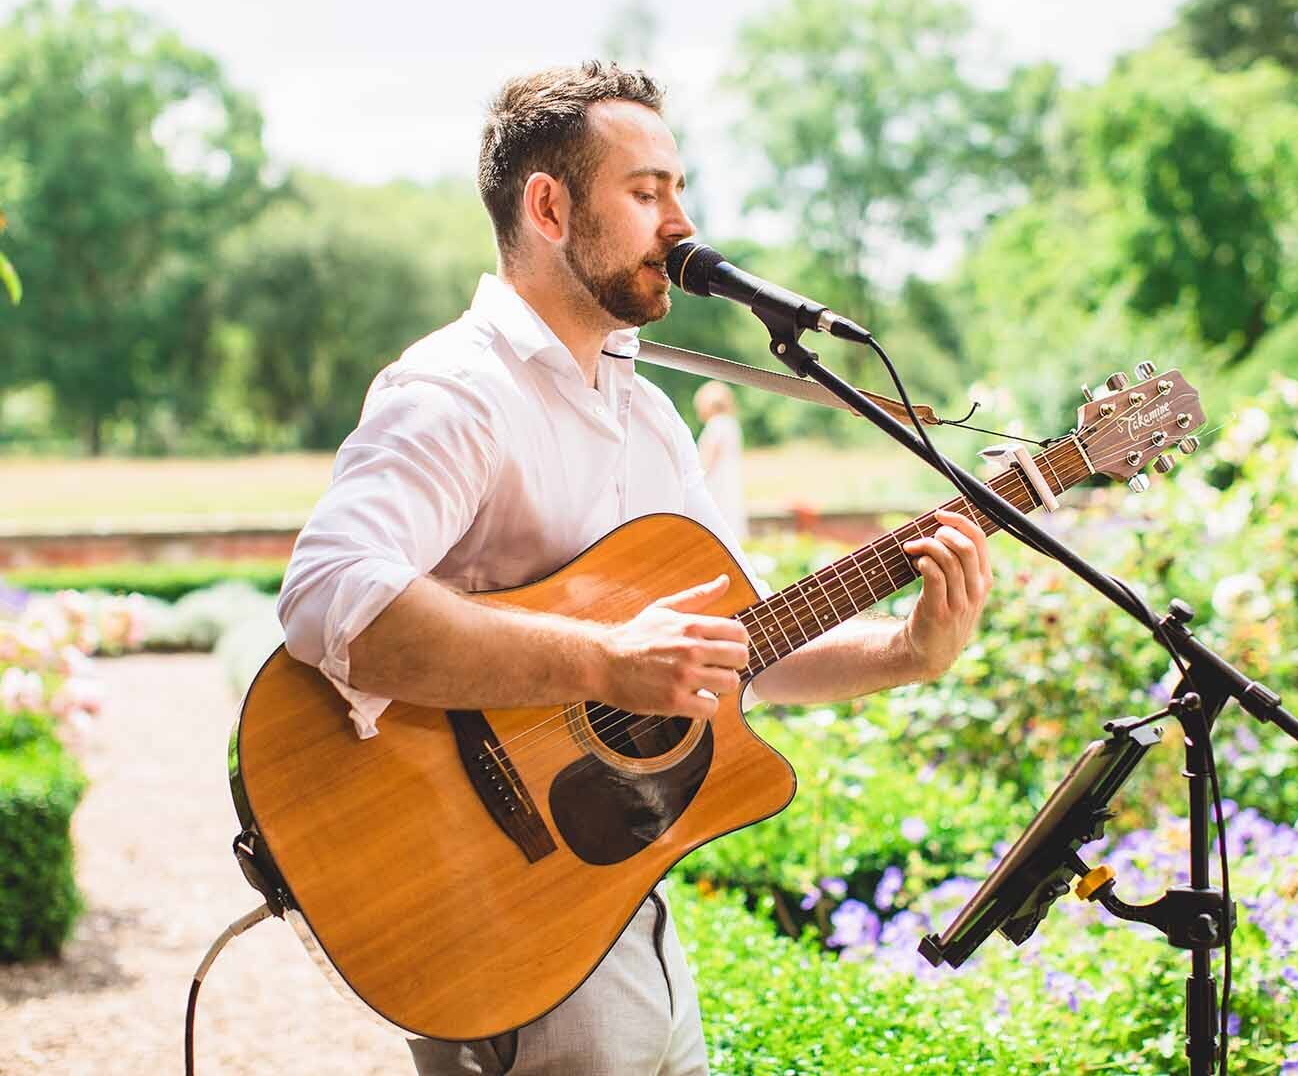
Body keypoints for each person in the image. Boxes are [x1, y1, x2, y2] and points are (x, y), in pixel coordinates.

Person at [275, 61, 993, 1076]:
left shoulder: (644, 413)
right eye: (647, 192)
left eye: (681, 190)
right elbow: (327, 597)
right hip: (493, 901)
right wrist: (600, 660)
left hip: (612, 899)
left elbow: (738, 643)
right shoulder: (455, 391)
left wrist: (908, 651)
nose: (682, 225)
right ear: (549, 206)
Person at [692, 380, 746, 539]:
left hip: (716, 482)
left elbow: (707, 460)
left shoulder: (716, 425)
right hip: (729, 480)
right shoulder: (731, 423)